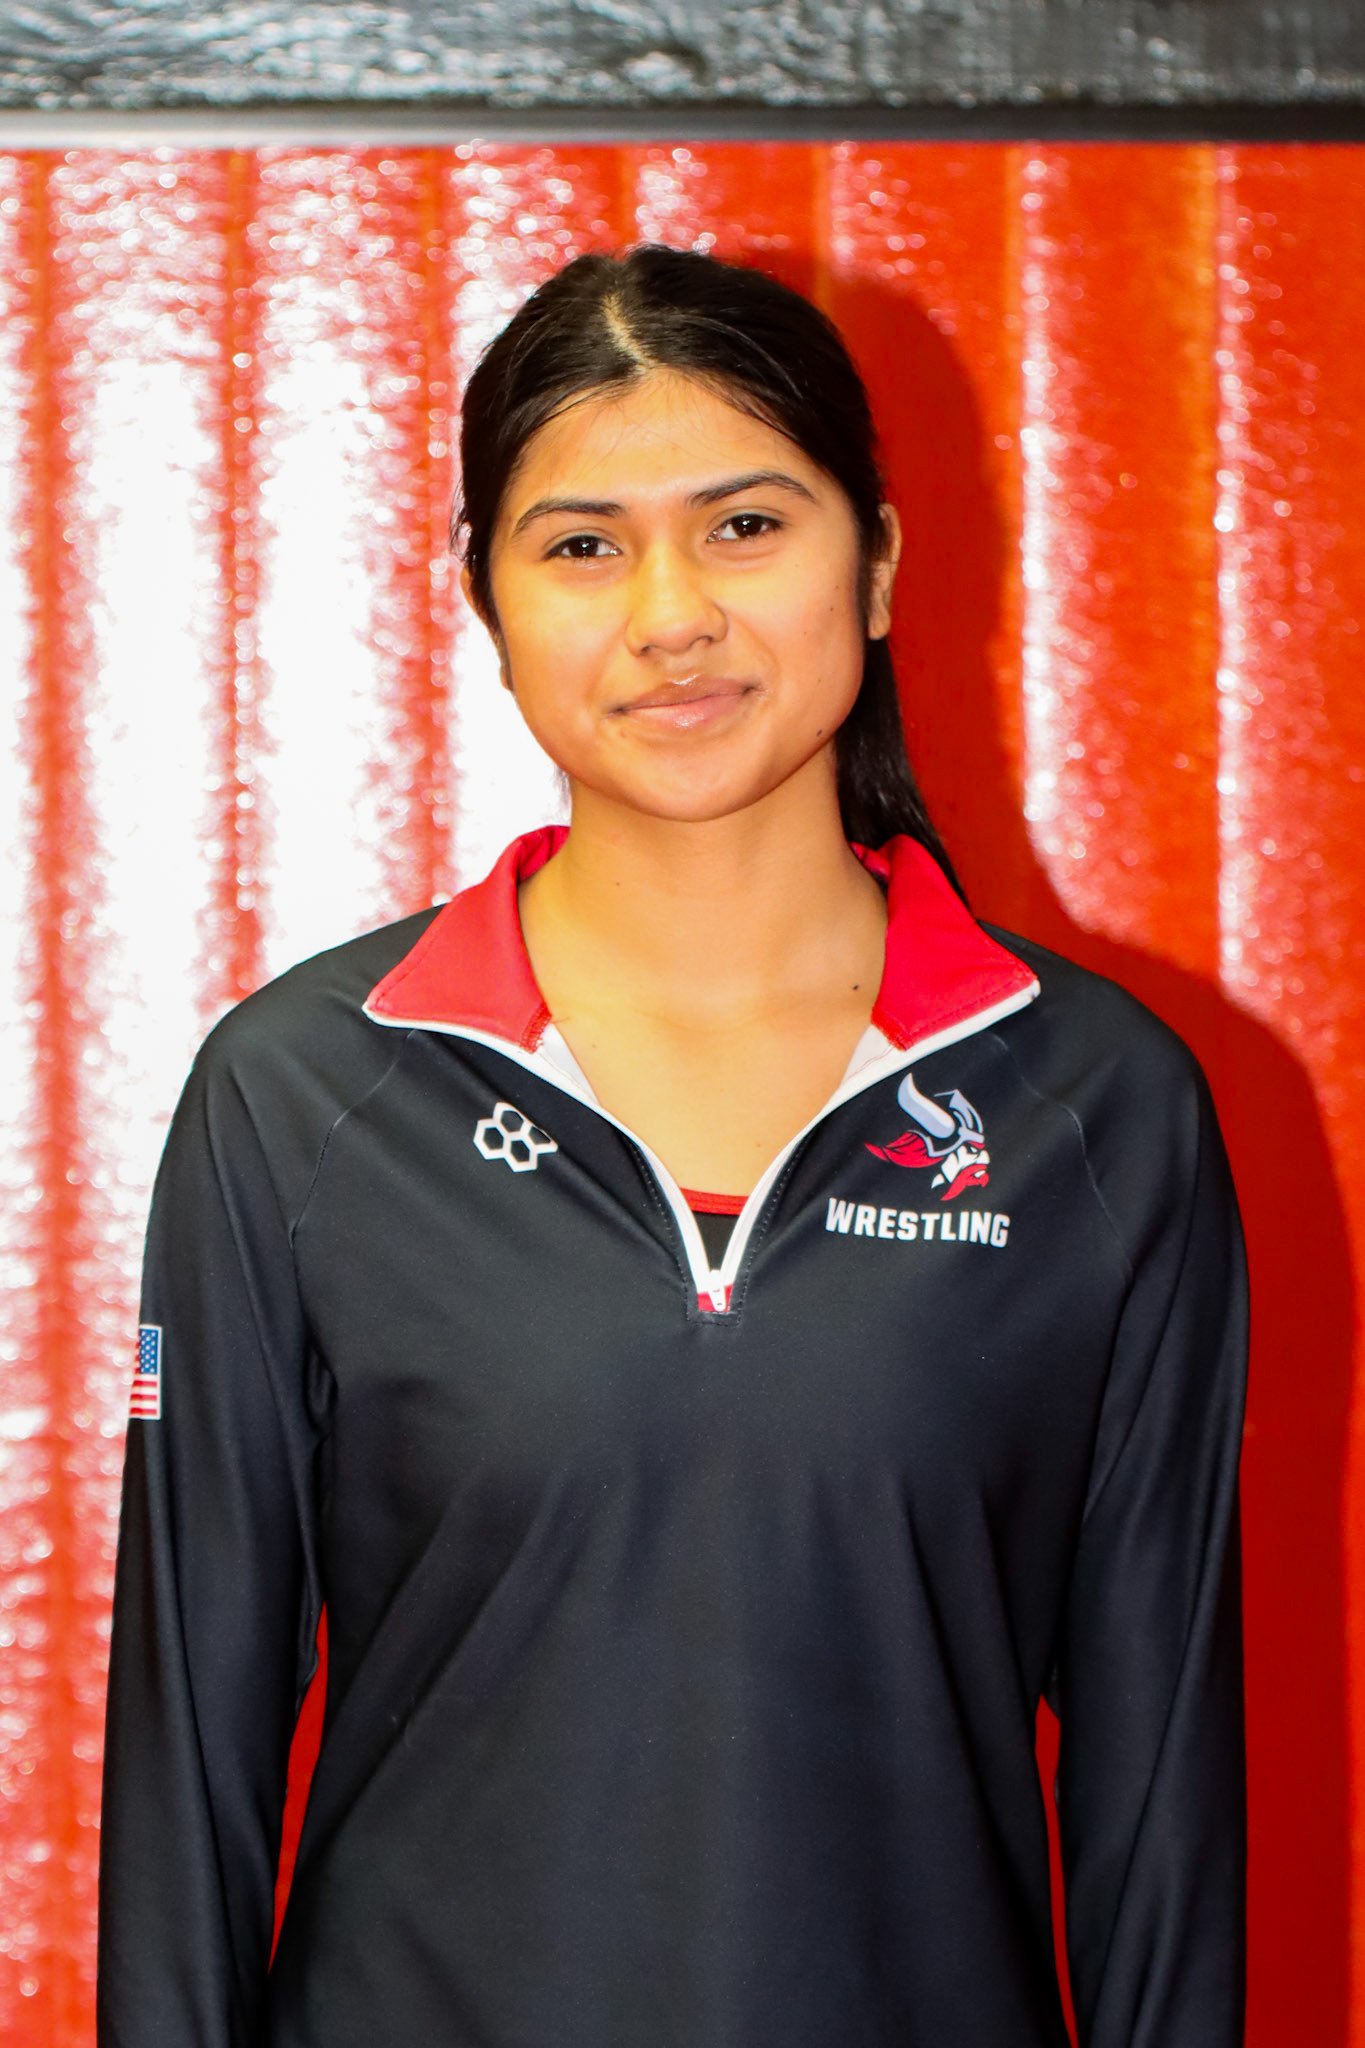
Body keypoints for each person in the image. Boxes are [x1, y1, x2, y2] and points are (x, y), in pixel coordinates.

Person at [97, 246, 1246, 2048]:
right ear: (481, 599)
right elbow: (189, 1769)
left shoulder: (1094, 1113)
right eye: (581, 545)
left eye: (744, 527)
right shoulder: (305, 1097)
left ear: (876, 562)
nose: (669, 615)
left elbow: (1159, 1798)